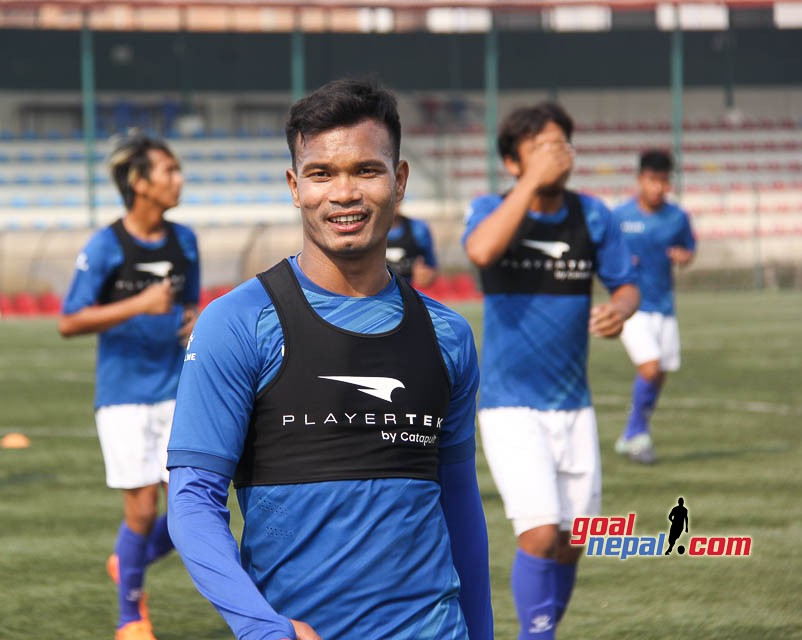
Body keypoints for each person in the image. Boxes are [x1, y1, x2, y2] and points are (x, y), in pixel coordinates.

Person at [167, 79, 492, 640]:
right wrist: (261, 629)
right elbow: (193, 502)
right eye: (322, 174)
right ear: (295, 187)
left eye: (367, 170)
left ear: (400, 180)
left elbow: (459, 501)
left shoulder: (449, 336)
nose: (344, 193)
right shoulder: (237, 323)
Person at [463, 102, 639, 639]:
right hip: (510, 405)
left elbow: (628, 285)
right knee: (540, 535)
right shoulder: (490, 209)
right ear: (513, 162)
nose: (557, 153)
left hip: (574, 406)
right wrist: (530, 186)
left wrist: (621, 312)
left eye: (562, 142)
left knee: (574, 540)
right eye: (540, 146)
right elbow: (481, 249)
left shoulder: (593, 214)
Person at [58, 132, 200, 640]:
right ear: (139, 183)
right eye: (169, 171)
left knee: (193, 511)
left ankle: (128, 557)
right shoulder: (104, 245)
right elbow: (69, 321)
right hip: (123, 395)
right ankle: (129, 618)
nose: (178, 179)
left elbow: (188, 307)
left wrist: (195, 323)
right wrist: (138, 305)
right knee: (141, 509)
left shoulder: (185, 241)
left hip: (181, 389)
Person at [613, 150, 696, 464]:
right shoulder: (620, 216)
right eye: (652, 180)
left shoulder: (678, 217)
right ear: (640, 180)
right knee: (649, 367)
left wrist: (684, 257)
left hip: (664, 306)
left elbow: (689, 250)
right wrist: (621, 263)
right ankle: (636, 435)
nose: (658, 187)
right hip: (631, 306)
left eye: (663, 181)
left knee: (658, 374)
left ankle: (633, 432)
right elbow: (604, 254)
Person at [386, 206, 438, 287]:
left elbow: (431, 268)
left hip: (408, 293)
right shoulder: (369, 230)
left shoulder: (418, 229)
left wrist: (425, 276)